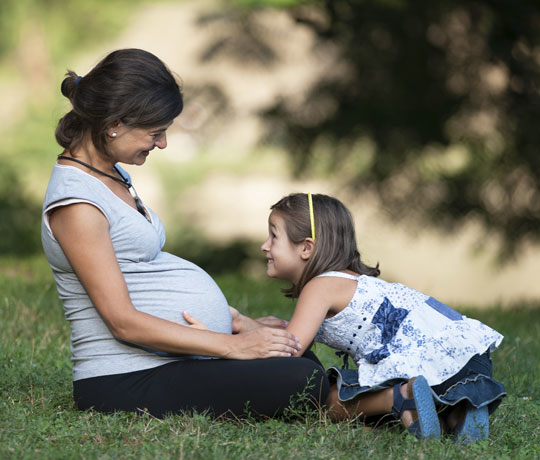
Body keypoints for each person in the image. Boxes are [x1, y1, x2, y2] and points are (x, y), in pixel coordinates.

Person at [41, 48, 330, 419]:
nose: (162, 143)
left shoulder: (110, 174)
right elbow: (121, 320)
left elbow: (144, 278)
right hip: (125, 377)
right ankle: (384, 403)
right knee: (302, 378)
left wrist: (235, 324)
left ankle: (379, 397)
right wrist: (229, 345)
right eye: (156, 132)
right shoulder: (77, 204)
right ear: (115, 122)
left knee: (293, 354)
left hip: (165, 361)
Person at [260, 192, 506, 441]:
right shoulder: (347, 280)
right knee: (413, 393)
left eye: (273, 236)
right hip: (468, 360)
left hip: (430, 368)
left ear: (306, 247)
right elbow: (297, 334)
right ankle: (456, 414)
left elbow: (291, 350)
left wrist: (239, 336)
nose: (265, 245)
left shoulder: (319, 287)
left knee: (324, 397)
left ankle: (400, 398)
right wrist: (254, 326)